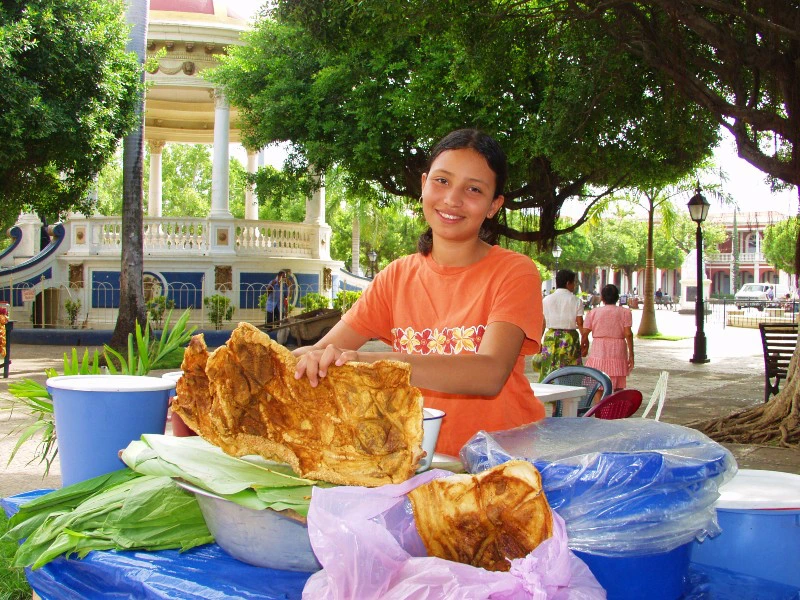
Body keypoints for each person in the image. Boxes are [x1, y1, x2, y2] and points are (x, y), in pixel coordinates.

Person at [292, 129, 545, 456]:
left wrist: (368, 361)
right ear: (424, 184)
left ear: (494, 205)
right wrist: (296, 360)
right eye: (442, 181)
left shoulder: (514, 271)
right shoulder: (396, 276)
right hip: (416, 461)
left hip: (501, 462)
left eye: (473, 189)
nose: (452, 199)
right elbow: (323, 352)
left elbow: (489, 373)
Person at [580, 284, 634, 392]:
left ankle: (599, 407)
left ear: (602, 298)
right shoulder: (625, 312)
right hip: (618, 349)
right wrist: (631, 354)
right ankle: (615, 408)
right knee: (618, 385)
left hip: (599, 348)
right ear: (617, 297)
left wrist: (584, 345)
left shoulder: (594, 312)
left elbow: (585, 332)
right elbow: (628, 334)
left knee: (598, 384)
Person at [536, 269, 586, 381]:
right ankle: (570, 393)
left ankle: (549, 395)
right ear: (568, 283)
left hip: (550, 337)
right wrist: (584, 339)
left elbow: (542, 322)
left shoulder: (546, 300)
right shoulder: (576, 301)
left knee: (549, 368)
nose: (574, 286)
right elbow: (580, 323)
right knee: (571, 370)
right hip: (570, 339)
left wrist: (538, 340)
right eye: (574, 283)